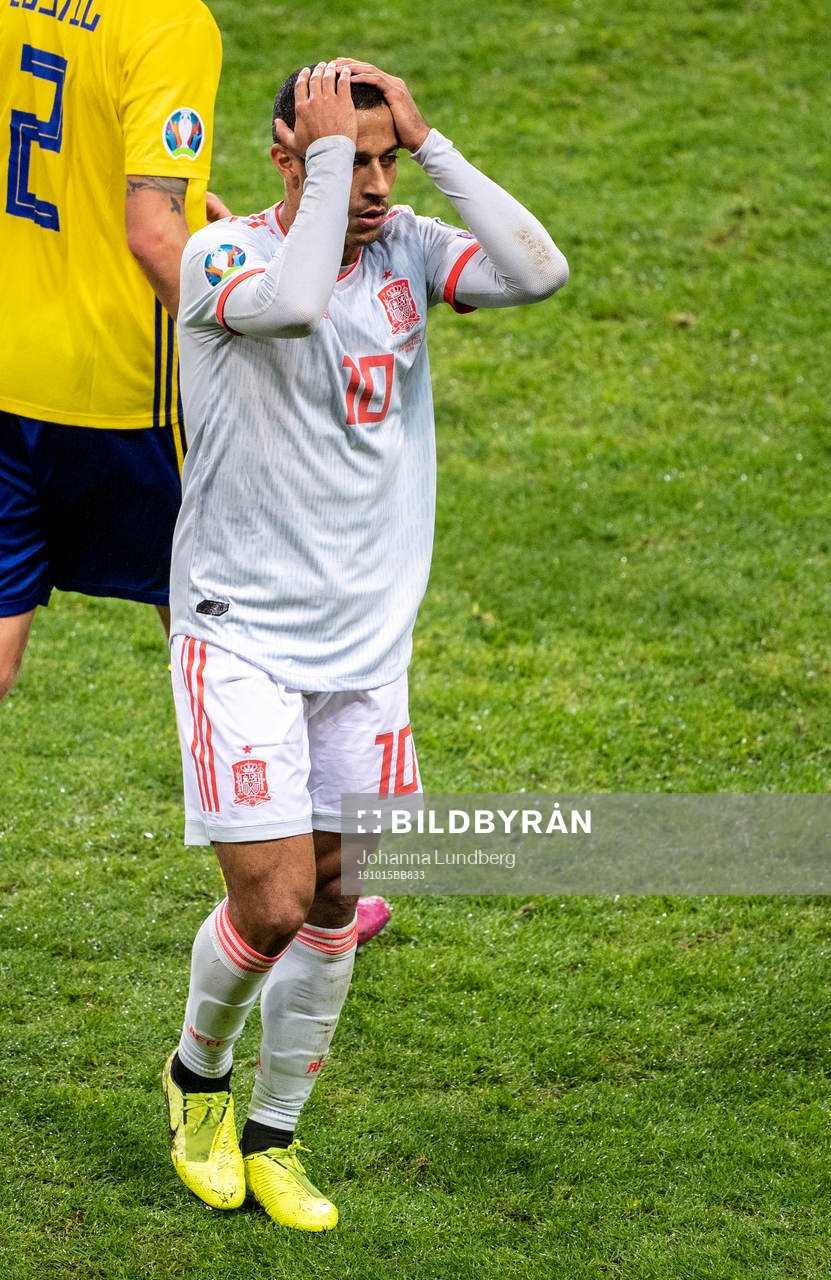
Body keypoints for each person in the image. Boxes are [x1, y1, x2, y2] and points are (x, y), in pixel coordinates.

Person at [163, 58, 568, 1231]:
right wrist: (335, 165)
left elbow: (537, 272)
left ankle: (278, 1135)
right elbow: (292, 300)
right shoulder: (221, 259)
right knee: (276, 902)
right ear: (285, 158)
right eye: (357, 157)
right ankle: (197, 1080)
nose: (380, 185)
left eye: (390, 160)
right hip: (240, 641)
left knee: (339, 900)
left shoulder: (403, 246)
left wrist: (428, 142)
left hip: (365, 654)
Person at [0, 0, 223, 701]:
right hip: (126, 391)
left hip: (9, 365)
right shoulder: (168, 23)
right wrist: (244, 335)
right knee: (217, 648)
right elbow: (152, 233)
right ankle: (262, 812)